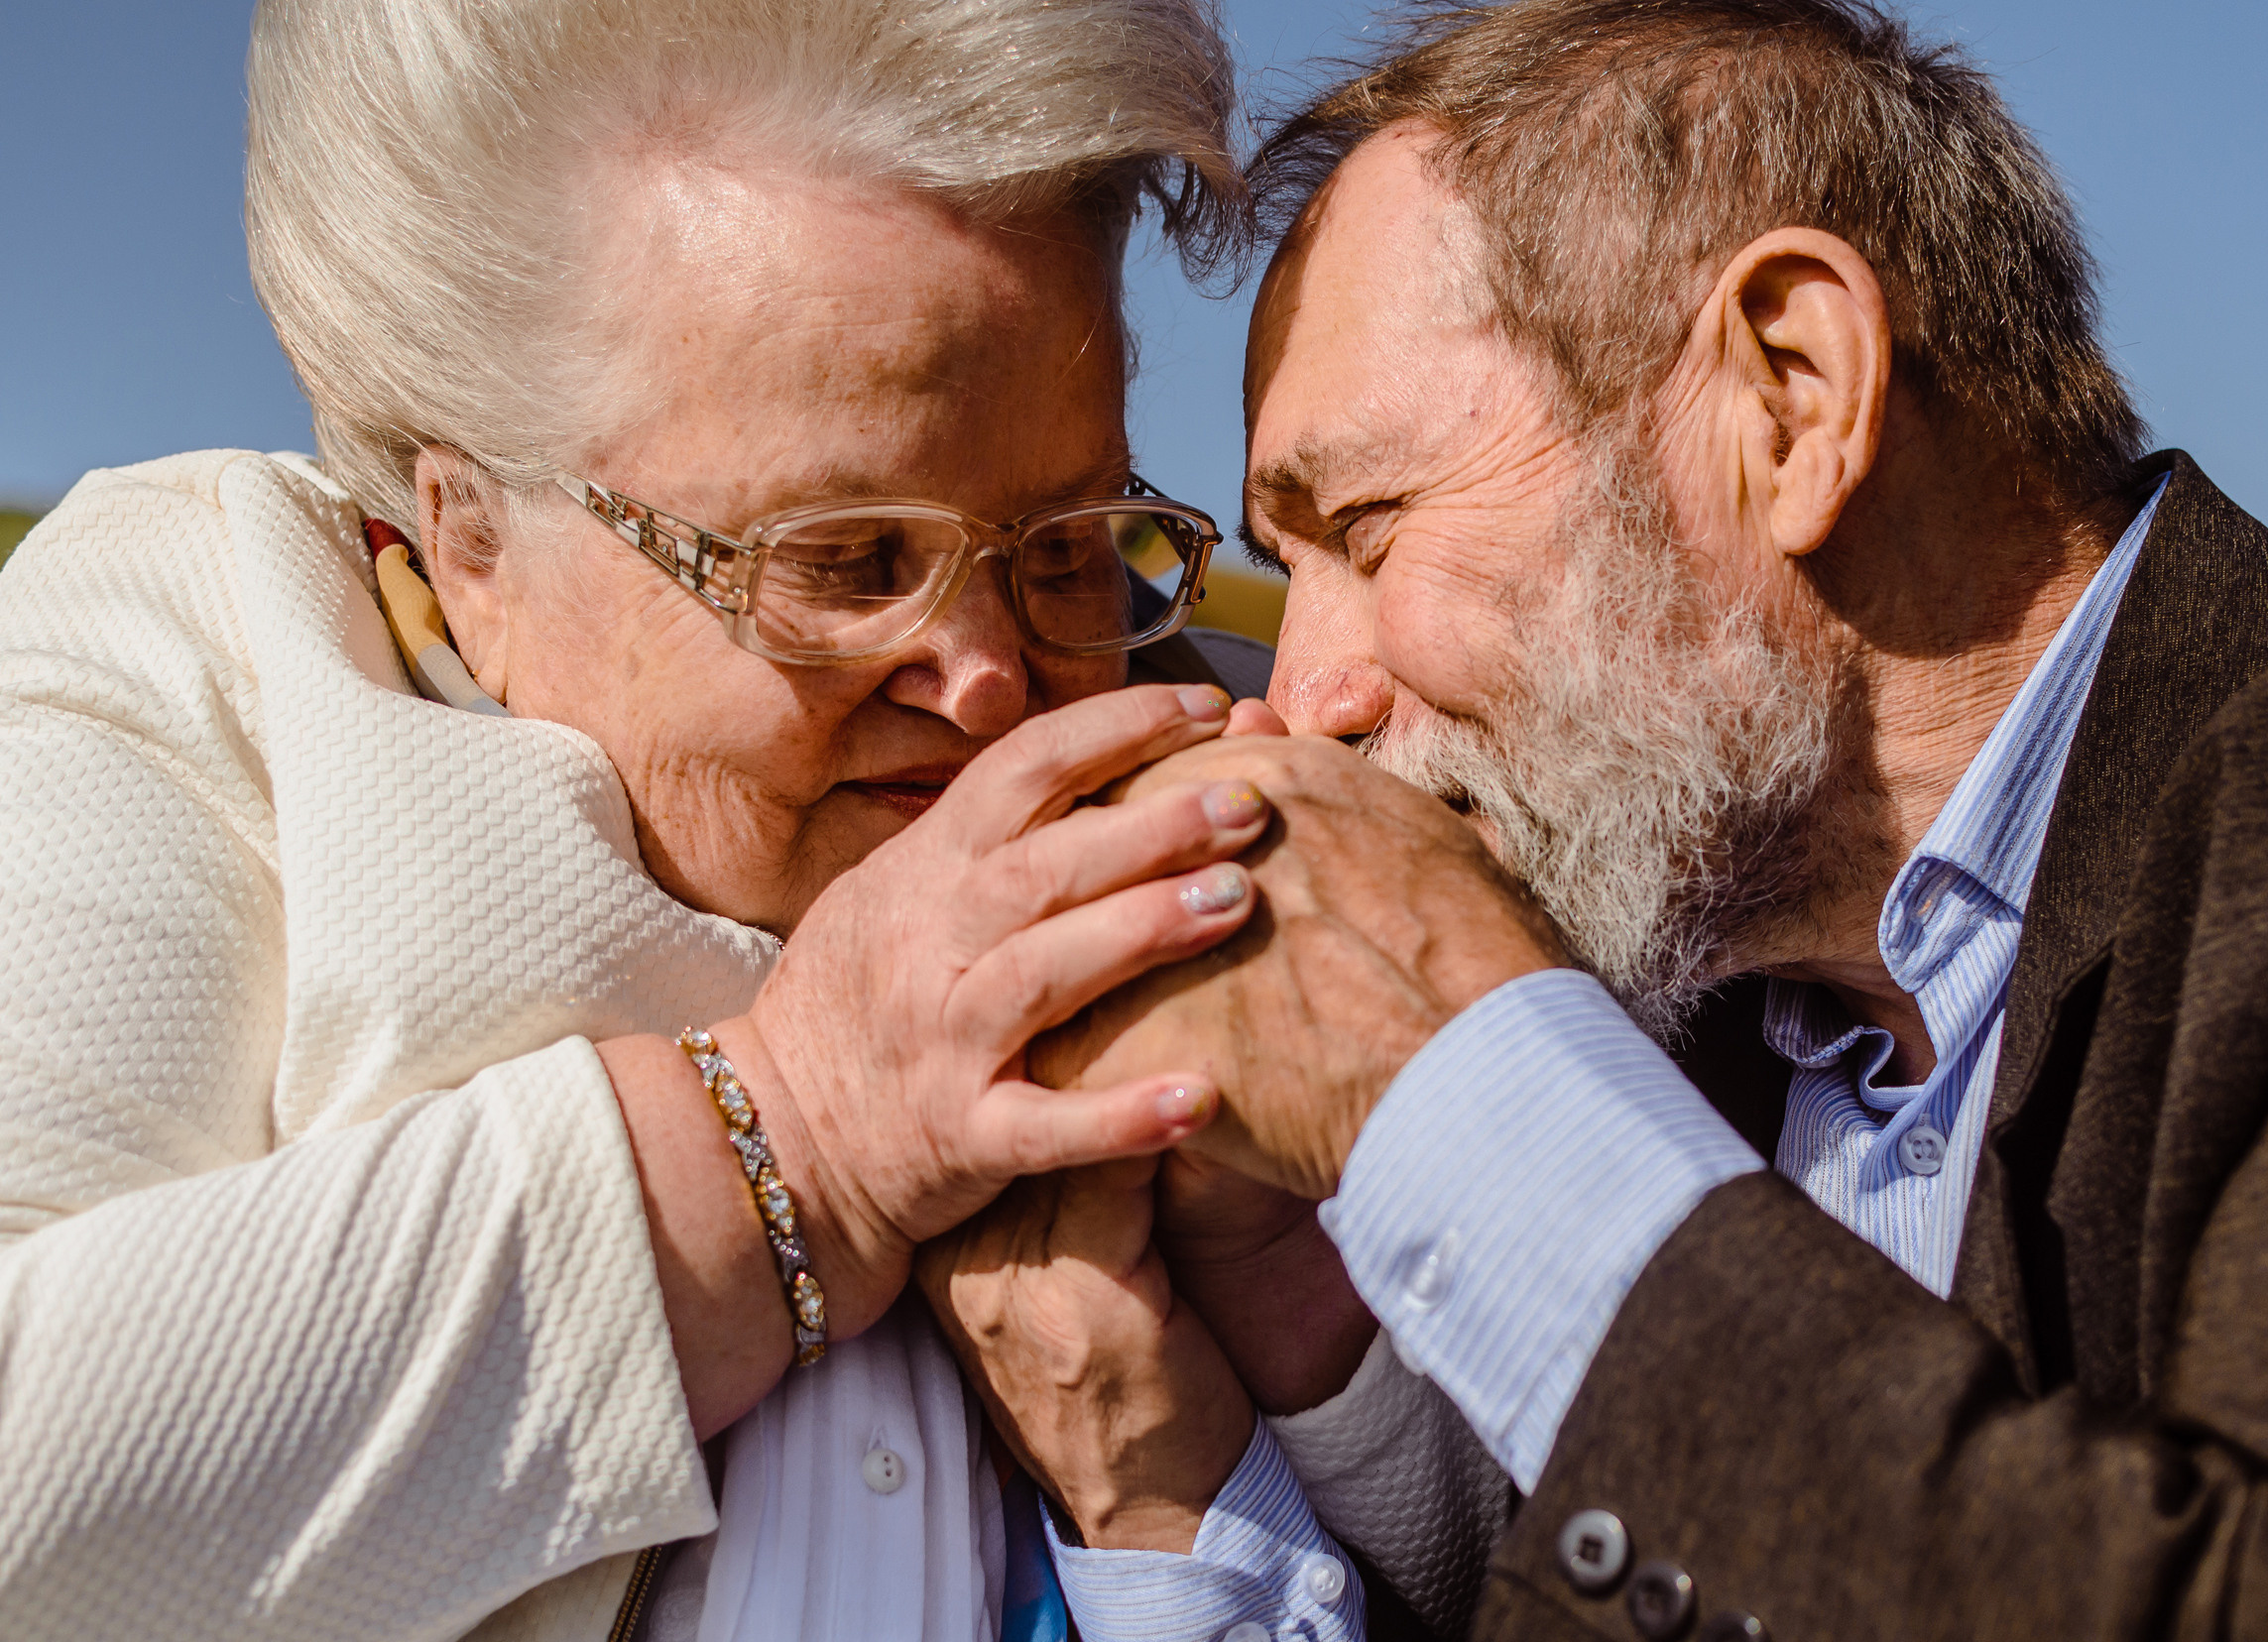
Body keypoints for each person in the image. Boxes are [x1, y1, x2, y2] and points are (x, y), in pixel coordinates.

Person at [966, 0, 2268, 1637]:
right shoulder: (1692, 1011)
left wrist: (1457, 1076)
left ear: (1791, 394)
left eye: (1372, 526)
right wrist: (1235, 1408)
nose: (1308, 693)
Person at [0, 2, 1428, 1638]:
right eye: (846, 561)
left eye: (1068, 546)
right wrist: (802, 1140)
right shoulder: (216, 646)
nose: (982, 680)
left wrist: (1273, 1327)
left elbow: (1548, 1528)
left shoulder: (1265, 735)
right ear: (465, 528)